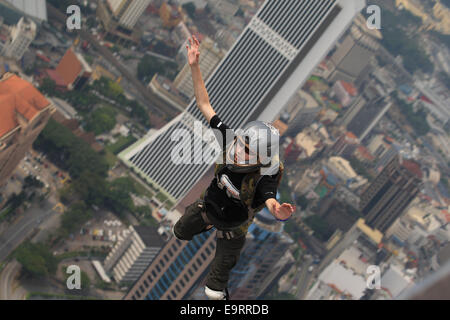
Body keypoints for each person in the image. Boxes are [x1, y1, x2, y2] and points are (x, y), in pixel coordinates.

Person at [172, 35, 296, 300]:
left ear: (261, 158)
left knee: (214, 290)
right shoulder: (231, 143)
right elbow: (205, 105)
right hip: (208, 209)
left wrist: (280, 212)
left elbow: (270, 199)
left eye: (248, 151)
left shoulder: (263, 175)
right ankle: (203, 225)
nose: (239, 152)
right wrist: (195, 66)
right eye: (241, 144)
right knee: (179, 232)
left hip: (233, 227)